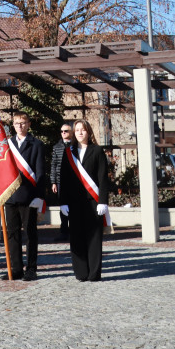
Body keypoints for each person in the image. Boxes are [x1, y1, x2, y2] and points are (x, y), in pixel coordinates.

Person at [60, 119, 109, 282]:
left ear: (89, 132)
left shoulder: (97, 151)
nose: (80, 132)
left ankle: (94, 273)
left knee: (94, 238)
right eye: (77, 130)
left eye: (83, 130)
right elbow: (64, 179)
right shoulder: (68, 152)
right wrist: (63, 201)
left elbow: (103, 178)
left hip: (93, 201)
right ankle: (81, 272)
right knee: (77, 237)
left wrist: (103, 201)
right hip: (74, 202)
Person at [3, 112, 48, 281]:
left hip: (29, 197)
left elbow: (40, 173)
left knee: (30, 234)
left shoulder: (36, 144)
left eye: (23, 123)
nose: (20, 126)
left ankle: (31, 268)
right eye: (16, 123)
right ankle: (16, 268)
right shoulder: (7, 144)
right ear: (12, 125)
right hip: (10, 196)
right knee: (12, 234)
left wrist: (39, 197)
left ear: (29, 124)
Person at [51, 123, 73, 240]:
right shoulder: (57, 147)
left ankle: (74, 230)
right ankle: (63, 231)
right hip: (60, 181)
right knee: (63, 207)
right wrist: (53, 182)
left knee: (74, 206)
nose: (63, 133)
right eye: (61, 131)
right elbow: (53, 165)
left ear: (71, 132)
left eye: (66, 131)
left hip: (74, 181)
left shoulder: (76, 145)